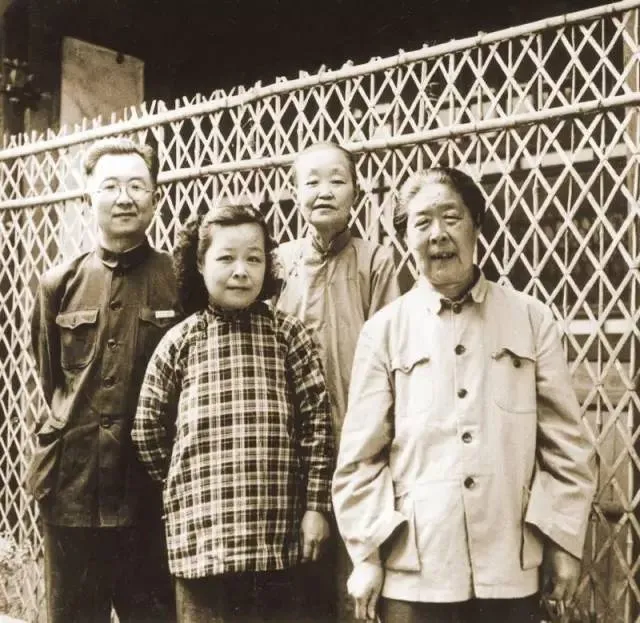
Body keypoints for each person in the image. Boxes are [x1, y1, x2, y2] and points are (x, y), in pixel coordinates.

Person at [332, 167, 596, 623]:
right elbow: (360, 459)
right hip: (416, 572)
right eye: (421, 222)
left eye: (451, 217)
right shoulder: (384, 332)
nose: (438, 234)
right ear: (405, 239)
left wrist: (563, 543)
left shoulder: (531, 319)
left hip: (510, 567)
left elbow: (567, 447)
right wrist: (368, 553)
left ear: (476, 224)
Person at [131, 205, 335, 623]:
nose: (241, 271)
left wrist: (316, 507)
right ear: (200, 264)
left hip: (277, 542)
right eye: (226, 258)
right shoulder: (180, 342)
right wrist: (184, 482)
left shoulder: (287, 334)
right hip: (202, 542)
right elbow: (147, 428)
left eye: (254, 259)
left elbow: (318, 424)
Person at [28, 137, 179, 623]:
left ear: (155, 197)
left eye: (137, 186)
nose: (124, 198)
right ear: (88, 197)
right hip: (73, 490)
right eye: (110, 186)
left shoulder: (181, 281)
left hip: (151, 495)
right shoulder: (59, 283)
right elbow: (54, 381)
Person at [276, 141, 400, 622]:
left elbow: (390, 351)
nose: (323, 191)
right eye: (311, 181)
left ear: (356, 192)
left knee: (354, 583)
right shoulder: (279, 263)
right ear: (295, 193)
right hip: (291, 448)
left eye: (336, 180)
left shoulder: (375, 261)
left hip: (355, 441)